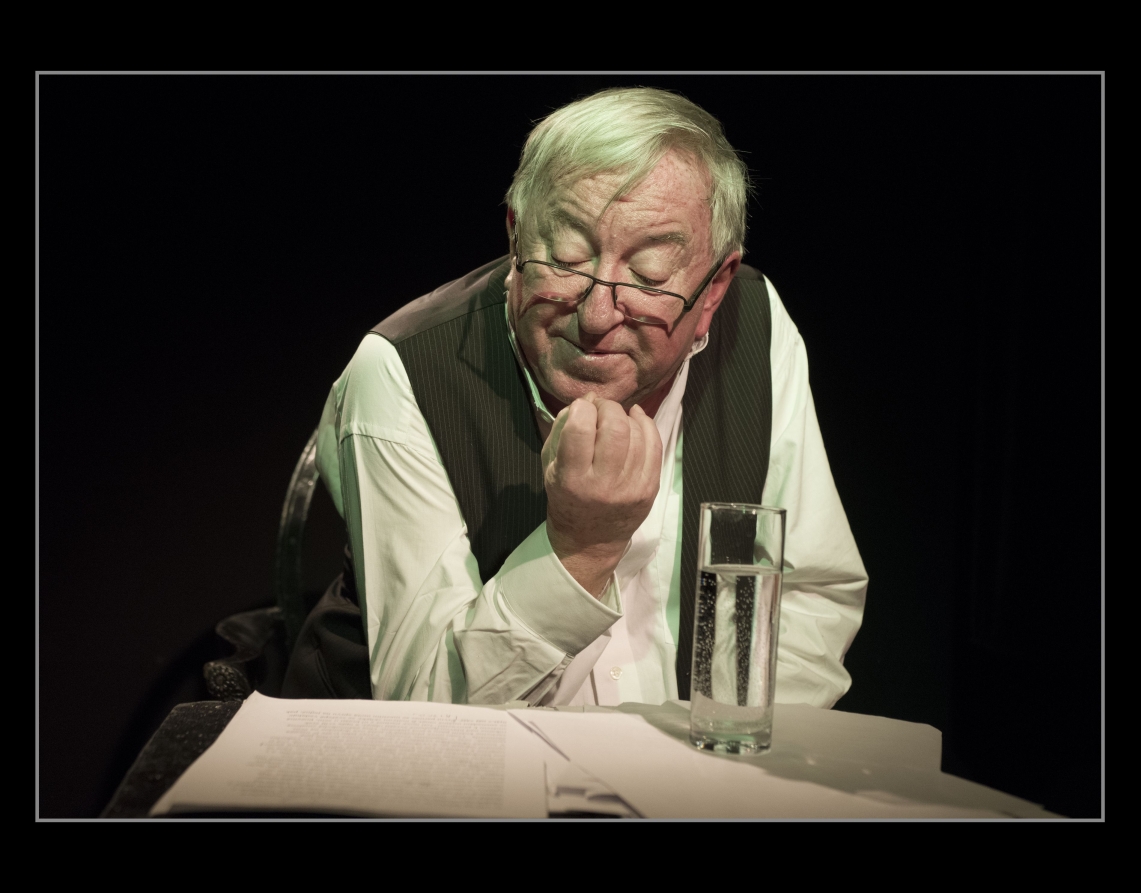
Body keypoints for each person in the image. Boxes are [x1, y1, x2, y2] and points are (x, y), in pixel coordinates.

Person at [283, 87, 867, 709]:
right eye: (565, 258)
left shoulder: (755, 325)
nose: (596, 316)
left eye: (648, 276)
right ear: (515, 238)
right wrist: (581, 549)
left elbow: (809, 597)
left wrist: (723, 742)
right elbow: (426, 710)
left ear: (715, 288)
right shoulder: (401, 368)